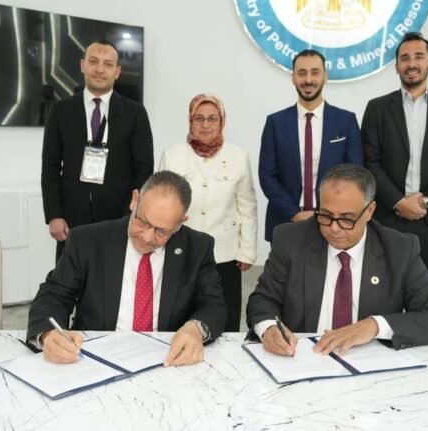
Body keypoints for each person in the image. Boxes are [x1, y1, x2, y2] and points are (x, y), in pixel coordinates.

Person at [246, 164, 428, 357]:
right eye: (326, 215)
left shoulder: (399, 249)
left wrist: (374, 325)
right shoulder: (291, 239)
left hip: (368, 364)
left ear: (370, 211)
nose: (334, 228)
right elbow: (263, 300)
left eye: (346, 218)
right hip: (305, 358)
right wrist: (268, 328)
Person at [28, 171, 226, 366]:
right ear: (135, 200)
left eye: (161, 231)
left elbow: (213, 304)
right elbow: (54, 295)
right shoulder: (87, 240)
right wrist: (48, 334)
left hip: (166, 357)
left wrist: (195, 329)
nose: (147, 237)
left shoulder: (198, 247)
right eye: (143, 222)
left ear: (180, 223)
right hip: (94, 356)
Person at [361, 32, 428, 284]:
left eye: (419, 57)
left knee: (427, 290)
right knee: (382, 289)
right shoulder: (377, 108)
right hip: (387, 218)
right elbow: (370, 161)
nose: (411, 64)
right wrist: (398, 201)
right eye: (404, 58)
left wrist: (426, 201)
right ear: (396, 66)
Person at [41, 40, 154, 261]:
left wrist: (130, 215)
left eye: (107, 64)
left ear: (117, 72)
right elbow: (50, 167)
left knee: (113, 279)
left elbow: (144, 169)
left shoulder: (135, 113)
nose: (100, 69)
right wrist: (54, 215)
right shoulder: (61, 111)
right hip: (71, 221)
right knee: (70, 279)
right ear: (83, 65)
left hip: (119, 219)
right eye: (93, 62)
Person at [159, 94, 257, 331]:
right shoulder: (172, 154)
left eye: (212, 119)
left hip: (224, 254)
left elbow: (247, 206)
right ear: (190, 121)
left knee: (226, 320)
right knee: (177, 318)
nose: (205, 125)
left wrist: (247, 251)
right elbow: (160, 204)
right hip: (181, 250)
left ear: (222, 121)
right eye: (199, 118)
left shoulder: (238, 156)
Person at [259, 49, 363, 242]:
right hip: (286, 223)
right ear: (293, 78)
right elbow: (267, 176)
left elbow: (354, 174)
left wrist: (326, 214)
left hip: (334, 224)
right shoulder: (275, 123)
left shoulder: (346, 121)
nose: (308, 80)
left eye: (315, 72)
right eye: (302, 73)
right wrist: (294, 213)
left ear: (325, 76)